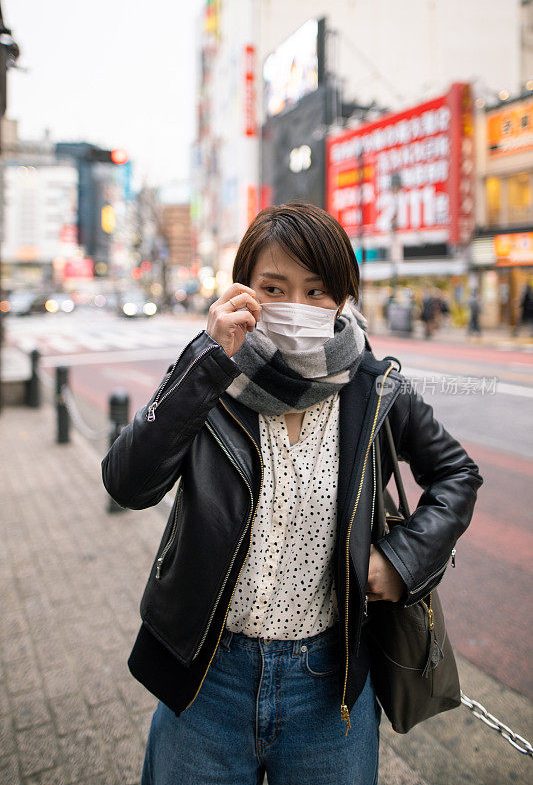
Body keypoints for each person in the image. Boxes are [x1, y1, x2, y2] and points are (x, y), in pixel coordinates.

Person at [101, 201, 483, 785]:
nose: (296, 308)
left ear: (341, 299)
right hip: (208, 680)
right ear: (243, 290)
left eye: (316, 291)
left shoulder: (374, 389)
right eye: (274, 288)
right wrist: (204, 360)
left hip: (330, 690)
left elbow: (457, 473)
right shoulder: (213, 376)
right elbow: (127, 484)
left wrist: (402, 561)